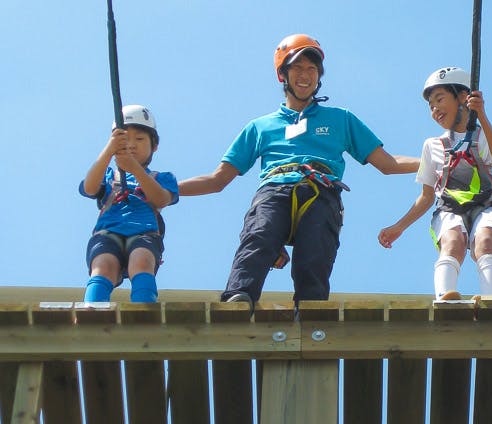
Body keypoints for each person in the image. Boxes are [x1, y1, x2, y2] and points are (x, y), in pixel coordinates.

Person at [179, 34, 419, 309]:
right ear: (283, 74)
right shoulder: (261, 127)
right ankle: (238, 299)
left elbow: (387, 163)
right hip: (275, 188)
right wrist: (167, 190)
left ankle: (310, 310)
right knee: (260, 235)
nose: (305, 75)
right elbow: (217, 179)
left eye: (312, 69)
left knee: (315, 253)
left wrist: (435, 160)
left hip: (321, 190)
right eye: (297, 67)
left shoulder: (340, 119)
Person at [378, 67, 492, 300]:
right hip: (449, 208)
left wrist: (481, 116)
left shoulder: (486, 134)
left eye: (440, 99)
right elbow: (426, 196)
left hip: (486, 205)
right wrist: (399, 226)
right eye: (430, 105)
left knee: (486, 240)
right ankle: (445, 297)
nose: (434, 109)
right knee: (453, 242)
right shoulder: (433, 146)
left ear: (463, 97)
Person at [80, 105, 179, 302]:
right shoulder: (109, 176)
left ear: (154, 146)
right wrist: (109, 151)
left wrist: (134, 168)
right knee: (103, 266)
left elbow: (160, 199)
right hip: (108, 231)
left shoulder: (162, 178)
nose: (132, 144)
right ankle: (92, 311)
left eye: (140, 139)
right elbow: (90, 188)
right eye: (126, 139)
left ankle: (144, 310)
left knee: (142, 261)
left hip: (144, 232)